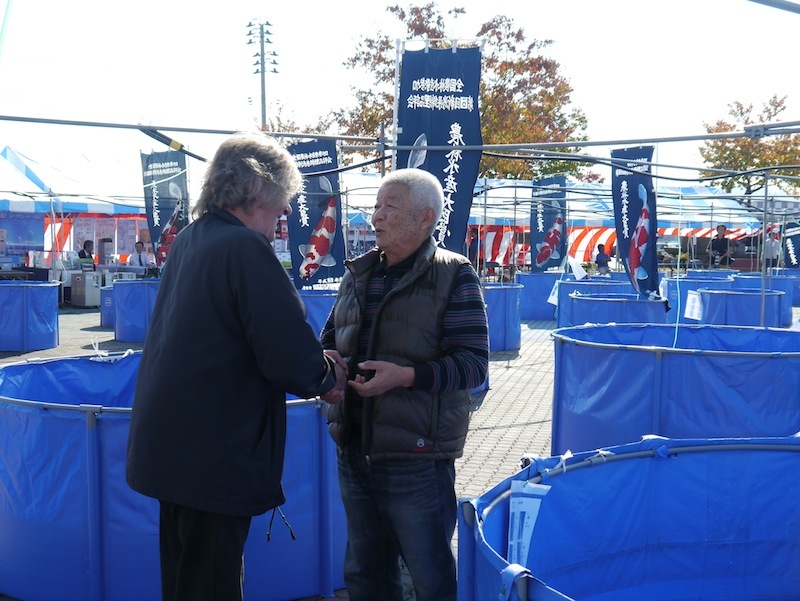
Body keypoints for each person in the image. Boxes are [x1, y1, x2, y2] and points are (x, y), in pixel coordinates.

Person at [126, 132, 347, 601]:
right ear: (257, 194)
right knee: (211, 584)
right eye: (282, 205)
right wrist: (328, 376)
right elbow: (287, 352)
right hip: (214, 455)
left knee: (185, 578)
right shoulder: (245, 249)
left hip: (173, 451)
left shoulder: (190, 240)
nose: (285, 217)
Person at [320, 168, 489, 601]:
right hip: (354, 448)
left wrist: (407, 377)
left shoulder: (454, 275)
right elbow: (330, 335)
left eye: (389, 206)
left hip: (417, 455)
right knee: (365, 571)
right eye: (376, 206)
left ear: (425, 217)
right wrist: (330, 369)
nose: (376, 217)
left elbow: (472, 365)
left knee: (429, 574)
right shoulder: (358, 273)